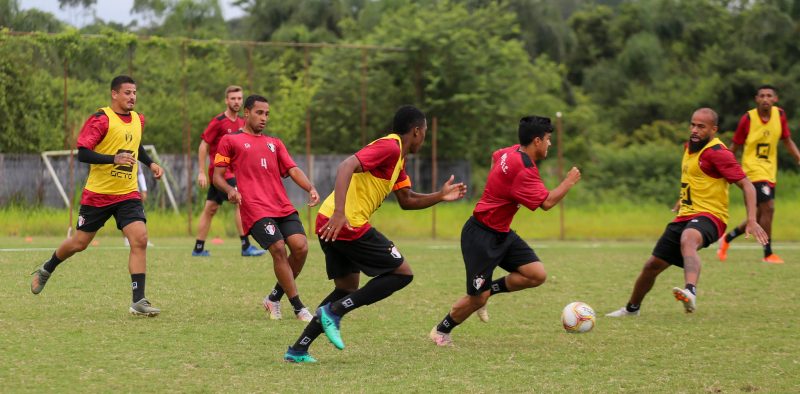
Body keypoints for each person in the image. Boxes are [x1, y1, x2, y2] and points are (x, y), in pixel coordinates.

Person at [283, 105, 467, 363]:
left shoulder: (398, 160)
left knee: (347, 287)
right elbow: (347, 165)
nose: (424, 138)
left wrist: (440, 195)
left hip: (332, 221)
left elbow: (407, 200)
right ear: (416, 131)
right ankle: (334, 312)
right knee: (402, 273)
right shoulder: (390, 147)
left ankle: (298, 348)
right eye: (424, 132)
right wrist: (339, 212)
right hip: (345, 223)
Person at [428, 115, 581, 346]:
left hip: (501, 232)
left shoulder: (512, 152)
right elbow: (547, 203)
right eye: (549, 139)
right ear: (537, 141)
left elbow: (495, 156)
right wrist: (569, 181)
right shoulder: (524, 169)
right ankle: (441, 330)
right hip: (480, 236)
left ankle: (489, 291)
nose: (550, 144)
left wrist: (498, 189)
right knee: (476, 299)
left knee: (536, 274)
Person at [607, 108, 769, 318]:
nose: (694, 130)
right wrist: (682, 197)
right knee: (652, 266)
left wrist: (752, 219)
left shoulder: (718, 153)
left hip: (712, 217)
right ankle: (631, 309)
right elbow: (694, 178)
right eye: (692, 125)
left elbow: (747, 185)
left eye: (701, 127)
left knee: (688, 238)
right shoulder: (689, 148)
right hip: (685, 215)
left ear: (714, 129)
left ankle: (690, 291)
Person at [30, 75, 164, 317]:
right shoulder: (101, 119)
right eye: (127, 93)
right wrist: (113, 158)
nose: (132, 97)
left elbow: (136, 145)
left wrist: (150, 164)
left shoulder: (137, 119)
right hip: (98, 195)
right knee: (79, 243)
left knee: (140, 239)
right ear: (114, 94)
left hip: (127, 193)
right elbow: (83, 153)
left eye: (134, 92)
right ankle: (47, 268)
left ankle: (138, 301)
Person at [213, 95, 320, 322]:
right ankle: (299, 307)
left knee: (300, 248)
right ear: (247, 113)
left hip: (281, 205)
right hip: (255, 208)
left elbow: (292, 169)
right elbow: (217, 177)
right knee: (279, 249)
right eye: (260, 113)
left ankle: (273, 298)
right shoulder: (230, 140)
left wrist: (310, 187)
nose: (264, 118)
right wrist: (230, 191)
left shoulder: (275, 143)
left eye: (267, 114)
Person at [717, 85, 800, 264]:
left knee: (758, 217)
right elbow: (735, 146)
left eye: (769, 95)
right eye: (762, 95)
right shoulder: (748, 118)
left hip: (770, 171)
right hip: (752, 170)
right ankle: (768, 254)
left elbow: (787, 140)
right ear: (756, 99)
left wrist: (798, 158)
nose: (765, 99)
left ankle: (727, 239)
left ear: (775, 99)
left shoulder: (780, 116)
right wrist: (725, 168)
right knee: (769, 208)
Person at [193, 85, 266, 257]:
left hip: (234, 173)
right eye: (233, 98)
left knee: (210, 208)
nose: (236, 101)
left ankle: (198, 248)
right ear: (227, 100)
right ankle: (246, 245)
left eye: (239, 98)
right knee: (241, 201)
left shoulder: (242, 123)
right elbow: (204, 145)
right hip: (221, 174)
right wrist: (201, 172)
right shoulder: (218, 122)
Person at [125, 164, 154, 247]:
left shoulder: (135, 154)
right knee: (122, 216)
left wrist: (144, 190)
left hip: (133, 192)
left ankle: (143, 238)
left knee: (140, 215)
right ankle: (127, 239)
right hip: (117, 191)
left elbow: (140, 172)